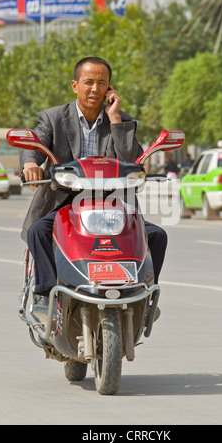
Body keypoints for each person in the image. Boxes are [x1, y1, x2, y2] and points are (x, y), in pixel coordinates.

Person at [21, 56, 167, 307]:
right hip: (63, 201)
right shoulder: (53, 117)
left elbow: (132, 160)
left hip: (112, 202)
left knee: (156, 235)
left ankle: (143, 296)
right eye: (88, 82)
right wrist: (30, 164)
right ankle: (44, 295)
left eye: (102, 83)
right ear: (75, 85)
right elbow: (36, 141)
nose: (95, 89)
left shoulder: (121, 120)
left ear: (110, 88)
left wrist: (116, 119)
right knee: (38, 230)